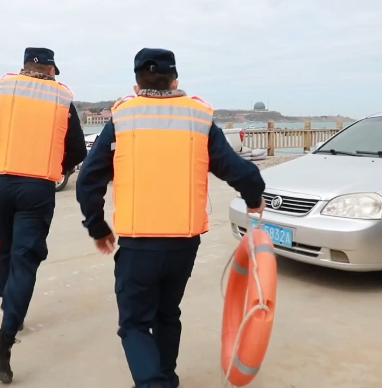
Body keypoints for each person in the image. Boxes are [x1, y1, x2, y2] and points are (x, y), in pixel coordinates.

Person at [75, 48, 267, 388]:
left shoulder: (122, 117)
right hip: (183, 244)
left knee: (134, 324)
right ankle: (168, 377)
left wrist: (97, 225)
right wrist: (254, 200)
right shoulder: (198, 117)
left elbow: (89, 179)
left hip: (138, 244)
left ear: (136, 84)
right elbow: (238, 170)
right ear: (175, 80)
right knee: (167, 314)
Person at [0, 47, 87, 383]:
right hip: (37, 188)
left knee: (7, 245)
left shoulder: (3, 91)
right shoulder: (62, 100)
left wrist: (0, 152)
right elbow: (77, 149)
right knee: (25, 258)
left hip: (2, 183)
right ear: (49, 70)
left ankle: (10, 303)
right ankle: (3, 343)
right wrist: (55, 167)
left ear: (25, 66)